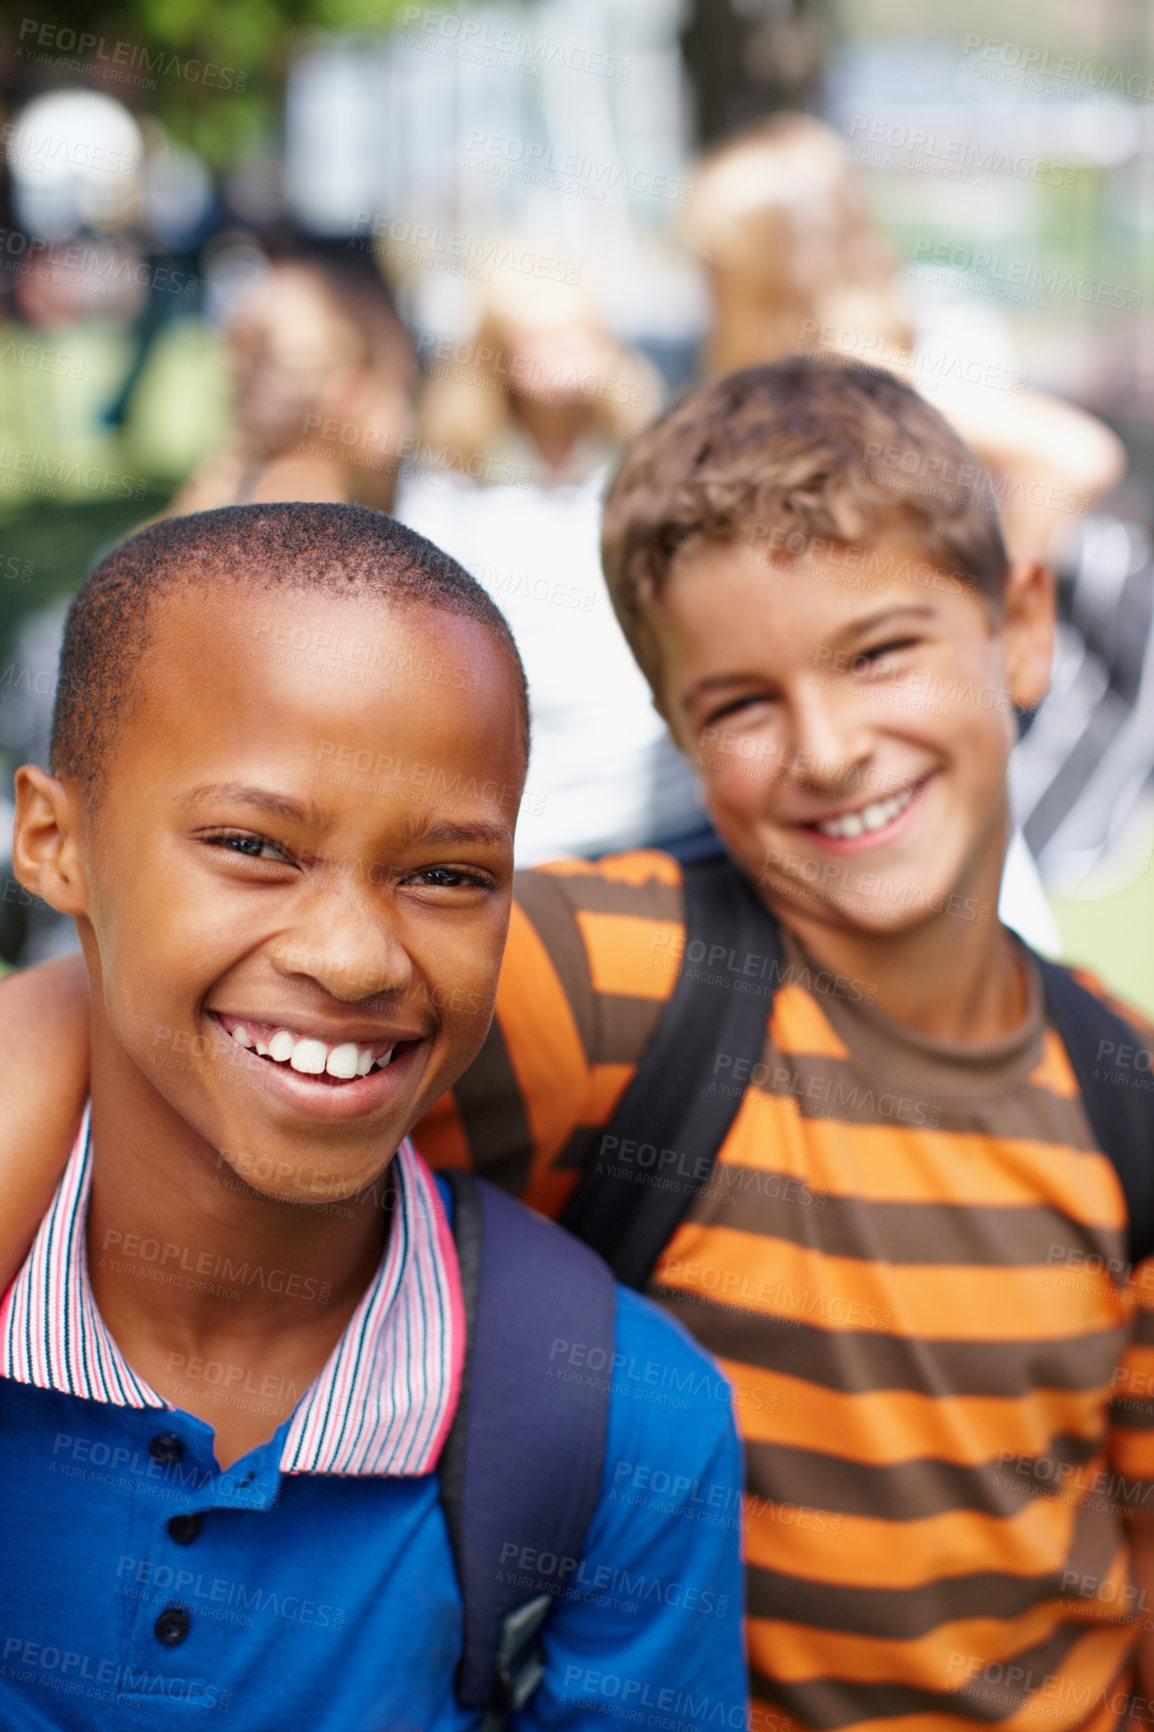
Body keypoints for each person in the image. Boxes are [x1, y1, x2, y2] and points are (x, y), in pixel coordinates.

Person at [5, 361, 1154, 1730]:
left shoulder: (1116, 1082)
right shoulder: (616, 978)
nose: (833, 747)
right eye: (738, 703)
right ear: (674, 731)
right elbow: (199, 993)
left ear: (1022, 629)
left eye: (879, 652)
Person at [0, 502, 745, 1730]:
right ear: (53, 840)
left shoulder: (622, 1423)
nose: (353, 958)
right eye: (252, 844)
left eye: (447, 873)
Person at [397, 260, 707, 864]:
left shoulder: (646, 459)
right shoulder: (453, 481)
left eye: (580, 335)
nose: (566, 358)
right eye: (540, 340)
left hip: (657, 799)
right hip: (536, 809)